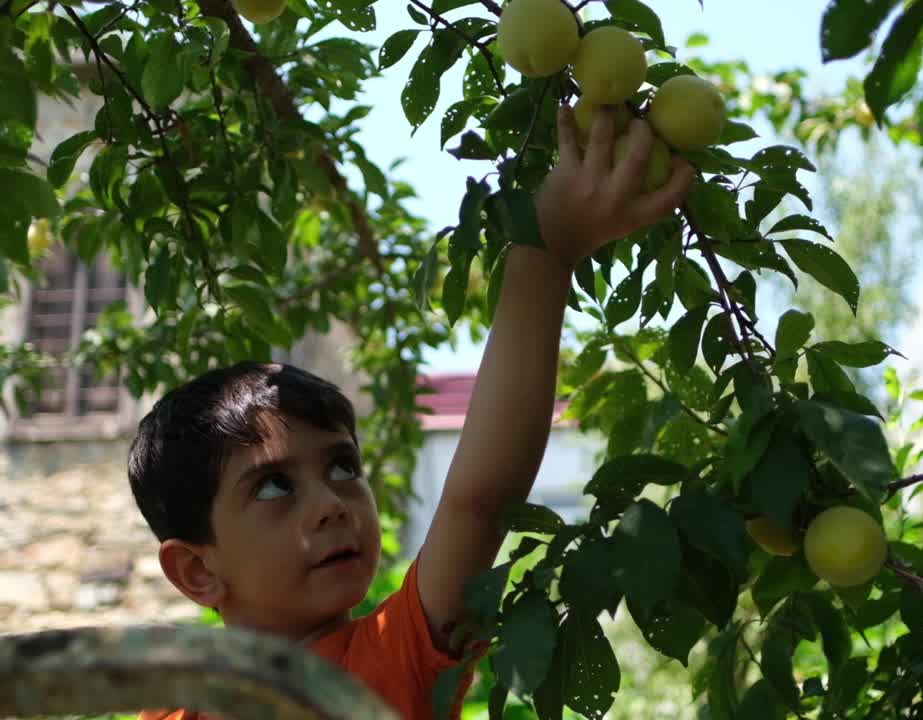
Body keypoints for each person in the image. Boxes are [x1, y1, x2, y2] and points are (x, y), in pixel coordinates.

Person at [127, 105, 694, 720]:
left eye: (343, 467)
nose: (332, 505)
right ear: (196, 569)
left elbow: (478, 501)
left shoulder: (389, 661)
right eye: (274, 486)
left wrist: (547, 252)